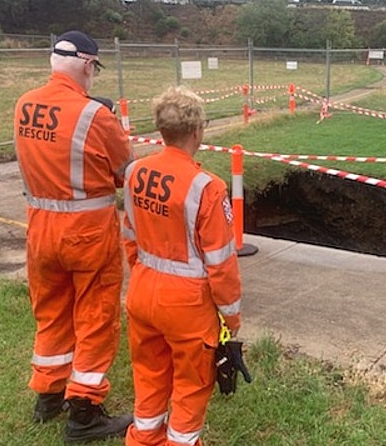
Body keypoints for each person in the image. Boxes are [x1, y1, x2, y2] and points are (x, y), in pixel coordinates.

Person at [13, 30, 134, 443]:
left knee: (51, 313)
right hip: (87, 236)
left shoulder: (24, 105)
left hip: (40, 232)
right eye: (94, 70)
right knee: (96, 318)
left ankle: (48, 395)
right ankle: (85, 412)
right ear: (87, 64)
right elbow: (123, 173)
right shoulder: (96, 116)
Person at [122, 86, 243, 446]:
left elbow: (129, 234)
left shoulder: (135, 173)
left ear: (162, 130)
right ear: (198, 131)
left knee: (149, 375)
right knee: (191, 385)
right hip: (187, 304)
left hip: (142, 290)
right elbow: (221, 261)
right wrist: (230, 316)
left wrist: (144, 273)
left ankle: (142, 439)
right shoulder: (208, 187)